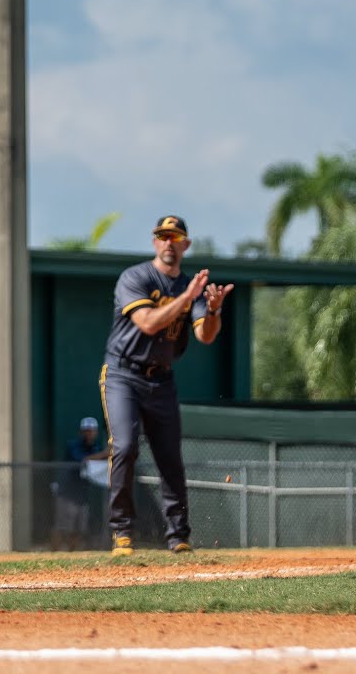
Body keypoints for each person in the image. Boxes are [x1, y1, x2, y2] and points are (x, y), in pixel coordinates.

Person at [99, 215, 233, 556]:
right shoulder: (137, 277)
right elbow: (146, 322)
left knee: (170, 458)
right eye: (163, 236)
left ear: (186, 244)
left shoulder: (193, 287)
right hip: (123, 375)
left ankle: (179, 537)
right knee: (125, 447)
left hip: (162, 378)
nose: (169, 242)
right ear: (154, 241)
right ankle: (122, 532)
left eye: (175, 237)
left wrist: (213, 311)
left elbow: (205, 335)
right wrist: (185, 297)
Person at [51, 416, 110, 551]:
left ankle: (72, 552)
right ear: (81, 432)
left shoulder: (96, 447)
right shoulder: (73, 446)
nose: (89, 434)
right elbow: (83, 460)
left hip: (82, 495)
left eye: (92, 431)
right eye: (86, 431)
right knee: (63, 526)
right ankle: (54, 552)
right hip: (66, 493)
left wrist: (106, 454)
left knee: (79, 528)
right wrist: (105, 453)